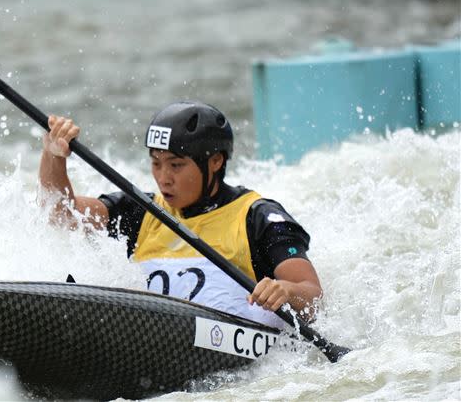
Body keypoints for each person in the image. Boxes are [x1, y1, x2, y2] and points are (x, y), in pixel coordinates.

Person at [38, 101, 322, 328]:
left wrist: (285, 290)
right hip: (158, 340)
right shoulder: (142, 210)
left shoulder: (258, 217)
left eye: (175, 165)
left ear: (215, 162)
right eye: (156, 163)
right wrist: (53, 156)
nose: (163, 178)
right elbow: (61, 215)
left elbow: (313, 296)